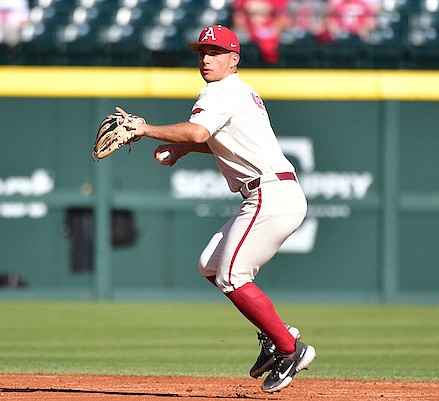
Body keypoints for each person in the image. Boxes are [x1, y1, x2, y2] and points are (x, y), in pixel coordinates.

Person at [116, 24, 316, 393]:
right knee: (211, 264)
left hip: (270, 194)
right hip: (271, 193)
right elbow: (221, 140)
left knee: (232, 276)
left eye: (215, 53)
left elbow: (197, 132)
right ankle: (278, 335)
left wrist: (144, 128)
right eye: (201, 53)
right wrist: (181, 148)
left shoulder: (219, 91)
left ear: (233, 59)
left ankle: (291, 349)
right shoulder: (241, 92)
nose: (206, 59)